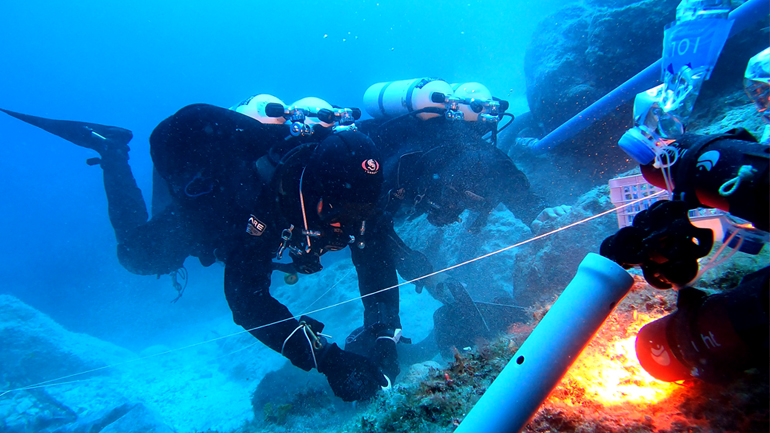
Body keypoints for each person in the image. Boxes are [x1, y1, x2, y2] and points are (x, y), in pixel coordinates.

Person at [1, 103, 400, 401]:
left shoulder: (355, 195)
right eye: (335, 214)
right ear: (309, 191)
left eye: (356, 215)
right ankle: (111, 150)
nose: (343, 227)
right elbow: (247, 301)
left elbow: (376, 257)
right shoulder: (253, 202)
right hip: (208, 217)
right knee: (137, 256)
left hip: (248, 200)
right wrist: (327, 360)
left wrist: (384, 335)